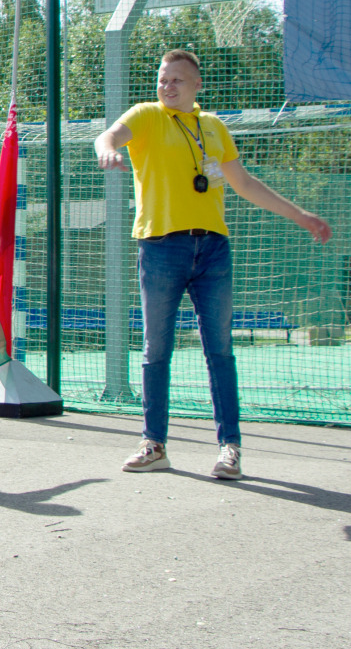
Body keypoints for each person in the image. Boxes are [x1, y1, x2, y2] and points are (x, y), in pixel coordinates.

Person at [95, 49, 331, 479]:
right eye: (163, 79)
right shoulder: (147, 115)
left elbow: (243, 183)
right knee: (156, 351)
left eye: (177, 81)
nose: (168, 87)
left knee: (219, 349)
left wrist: (300, 215)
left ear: (197, 85)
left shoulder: (214, 127)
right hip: (161, 247)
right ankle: (154, 444)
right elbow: (107, 136)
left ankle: (230, 448)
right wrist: (107, 149)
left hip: (214, 250)